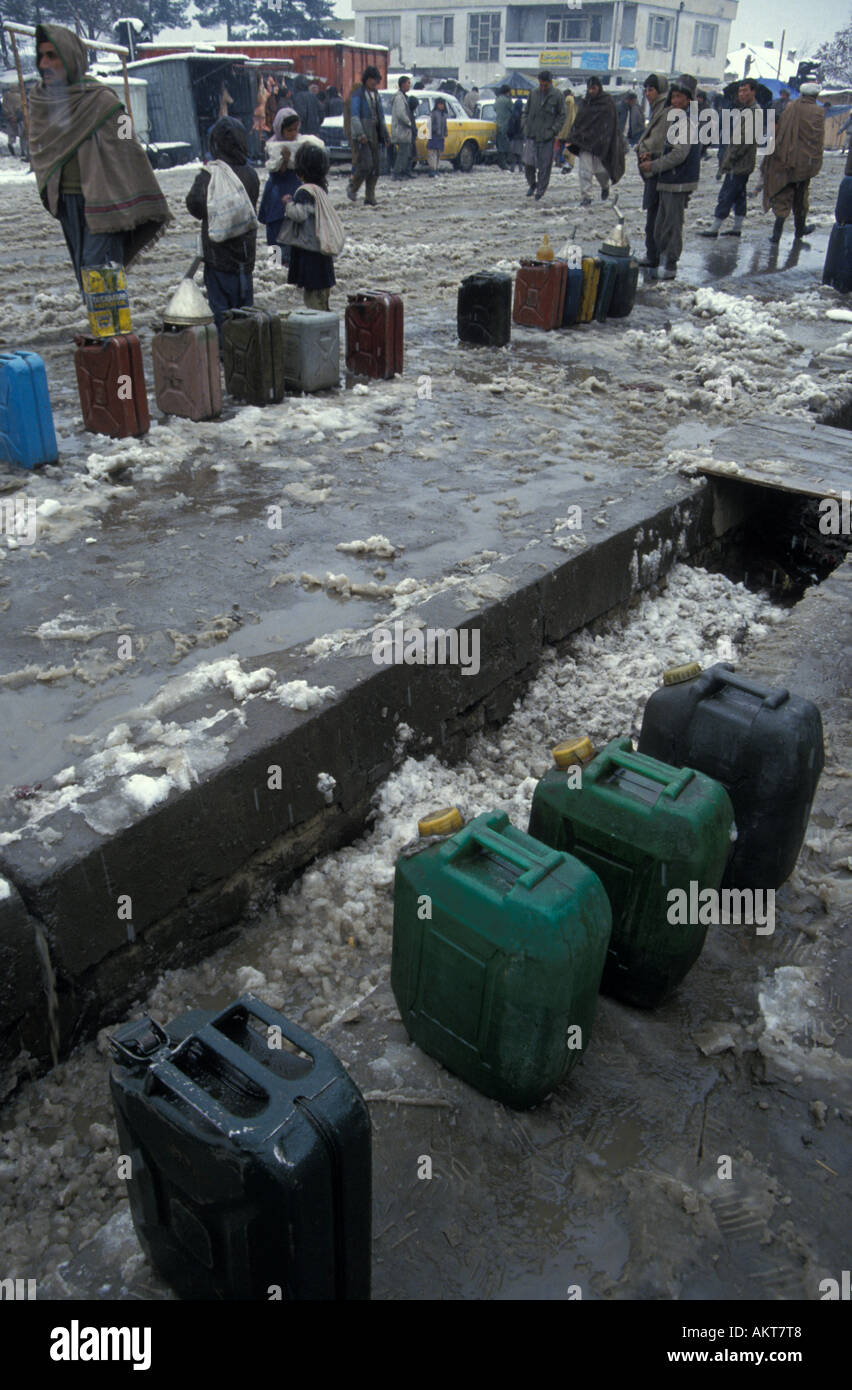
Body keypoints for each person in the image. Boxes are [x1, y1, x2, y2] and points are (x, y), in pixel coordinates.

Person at [28, 23, 172, 297]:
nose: (44, 63)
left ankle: (113, 335)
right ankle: (103, 333)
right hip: (67, 204)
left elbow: (129, 143)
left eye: (52, 55)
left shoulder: (104, 101)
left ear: (70, 58)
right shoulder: (41, 101)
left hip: (104, 202)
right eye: (41, 56)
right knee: (88, 275)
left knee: (101, 275)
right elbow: (42, 149)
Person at [186, 117, 259, 339]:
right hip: (245, 258)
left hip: (218, 258)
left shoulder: (211, 174)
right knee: (245, 311)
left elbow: (195, 205)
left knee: (221, 313)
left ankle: (225, 352)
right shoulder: (250, 174)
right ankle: (246, 350)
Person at [638, 73, 701, 281]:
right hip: (668, 180)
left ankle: (671, 265)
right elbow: (669, 150)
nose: (675, 102)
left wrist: (653, 165)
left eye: (679, 98)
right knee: (659, 226)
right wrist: (654, 155)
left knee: (671, 226)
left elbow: (678, 155)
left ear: (689, 99)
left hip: (678, 181)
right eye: (673, 97)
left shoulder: (687, 123)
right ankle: (662, 260)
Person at [762, 82, 825, 242]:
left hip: (786, 158)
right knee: (801, 197)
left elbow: (782, 131)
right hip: (806, 163)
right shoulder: (819, 112)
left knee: (783, 194)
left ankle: (777, 234)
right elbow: (818, 140)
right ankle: (800, 230)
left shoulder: (791, 107)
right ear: (816, 96)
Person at [279, 142, 336, 311]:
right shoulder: (321, 190)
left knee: (313, 302)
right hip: (322, 253)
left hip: (310, 255)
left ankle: (319, 332)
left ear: (301, 171)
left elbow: (299, 214)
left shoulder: (305, 192)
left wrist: (288, 203)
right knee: (322, 299)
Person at [700, 79, 760, 238]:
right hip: (742, 163)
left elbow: (742, 142)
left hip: (739, 163)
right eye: (740, 91)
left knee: (727, 194)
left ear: (753, 92)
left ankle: (715, 227)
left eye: (745, 91)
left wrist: (729, 160)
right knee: (739, 194)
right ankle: (737, 227)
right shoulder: (747, 110)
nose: (741, 94)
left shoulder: (753, 112)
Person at [569, 74, 625, 206]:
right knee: (585, 171)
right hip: (585, 142)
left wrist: (608, 140)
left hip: (601, 144)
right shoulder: (585, 102)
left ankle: (605, 186)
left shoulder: (607, 102)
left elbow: (612, 123)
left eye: (593, 88)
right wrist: (575, 135)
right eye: (589, 88)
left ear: (599, 88)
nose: (591, 91)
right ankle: (586, 196)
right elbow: (580, 120)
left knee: (601, 172)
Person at [257, 107, 301, 265]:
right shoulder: (272, 147)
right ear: (280, 129)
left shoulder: (300, 144)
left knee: (294, 238)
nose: (293, 134)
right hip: (277, 197)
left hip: (294, 195)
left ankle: (289, 271)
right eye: (289, 130)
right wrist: (284, 160)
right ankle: (275, 272)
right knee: (275, 237)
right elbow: (276, 172)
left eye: (295, 129)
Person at [635, 74, 669, 269]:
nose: (648, 94)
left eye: (651, 89)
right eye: (646, 89)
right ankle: (654, 254)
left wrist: (643, 148)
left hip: (657, 169)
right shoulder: (658, 109)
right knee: (653, 215)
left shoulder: (664, 110)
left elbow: (657, 140)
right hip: (655, 168)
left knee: (655, 217)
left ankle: (654, 255)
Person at [346, 66, 389, 205]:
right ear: (366, 79)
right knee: (366, 165)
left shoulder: (376, 95)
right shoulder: (358, 95)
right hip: (363, 135)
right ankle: (353, 187)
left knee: (376, 167)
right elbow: (354, 116)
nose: (374, 83)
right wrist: (360, 134)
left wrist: (385, 136)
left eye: (376, 80)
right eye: (372, 79)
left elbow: (381, 117)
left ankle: (370, 196)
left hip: (375, 133)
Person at [522, 70, 565, 201]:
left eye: (545, 85)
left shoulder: (557, 95)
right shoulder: (533, 93)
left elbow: (562, 116)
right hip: (531, 134)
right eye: (541, 84)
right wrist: (524, 124)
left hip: (547, 137)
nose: (543, 87)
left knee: (544, 167)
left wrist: (553, 131)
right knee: (528, 164)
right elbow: (526, 111)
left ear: (550, 83)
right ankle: (532, 184)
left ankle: (540, 191)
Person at [391, 75, 415, 179]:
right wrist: (409, 123)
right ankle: (397, 173)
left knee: (407, 152)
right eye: (408, 83)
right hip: (401, 130)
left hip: (405, 131)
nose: (409, 85)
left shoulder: (404, 96)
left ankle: (405, 172)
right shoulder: (399, 98)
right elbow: (401, 114)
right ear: (402, 84)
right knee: (402, 153)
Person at [556, 87, 576, 170]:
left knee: (563, 145)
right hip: (570, 128)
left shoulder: (566, 102)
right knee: (568, 145)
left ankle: (561, 160)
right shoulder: (572, 102)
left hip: (565, 129)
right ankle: (565, 161)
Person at [427, 96, 447, 176]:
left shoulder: (444, 115)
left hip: (440, 137)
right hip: (433, 136)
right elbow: (429, 125)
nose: (441, 106)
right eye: (440, 104)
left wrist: (445, 133)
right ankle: (432, 169)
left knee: (438, 154)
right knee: (432, 153)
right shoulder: (433, 113)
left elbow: (445, 125)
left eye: (442, 104)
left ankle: (436, 169)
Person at [494, 84, 513, 170]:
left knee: (500, 144)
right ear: (507, 92)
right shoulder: (507, 101)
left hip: (497, 124)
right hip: (506, 124)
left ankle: (501, 161)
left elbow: (495, 109)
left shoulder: (497, 100)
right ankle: (503, 163)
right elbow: (512, 110)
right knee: (505, 145)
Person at [508, 95, 525, 171]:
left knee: (514, 154)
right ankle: (520, 168)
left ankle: (512, 168)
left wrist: (510, 136)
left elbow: (511, 127)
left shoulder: (513, 115)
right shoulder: (522, 115)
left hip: (513, 137)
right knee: (519, 154)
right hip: (520, 137)